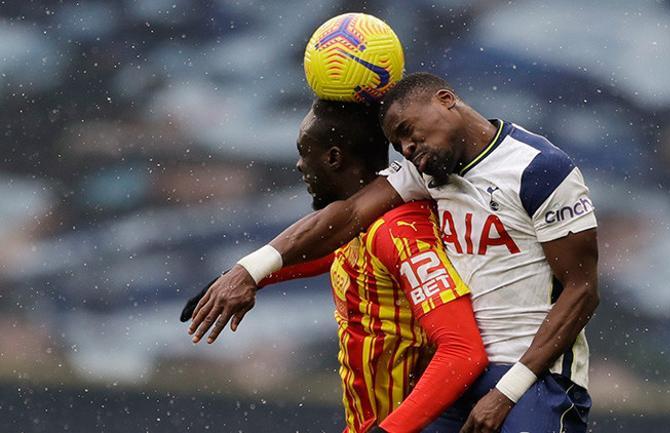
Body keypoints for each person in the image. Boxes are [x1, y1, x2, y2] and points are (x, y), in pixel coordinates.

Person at [189, 72, 599, 433]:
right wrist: (250, 271)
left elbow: (582, 292)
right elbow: (347, 218)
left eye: (408, 130)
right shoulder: (429, 171)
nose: (406, 148)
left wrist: (507, 393)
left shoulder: (539, 168)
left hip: (536, 378)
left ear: (445, 100)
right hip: (462, 376)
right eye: (397, 143)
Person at [185, 99, 488, 433]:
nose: (300, 165)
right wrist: (247, 277)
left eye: (304, 151)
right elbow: (334, 254)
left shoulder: (400, 232)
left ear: (333, 157)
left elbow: (463, 352)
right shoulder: (360, 229)